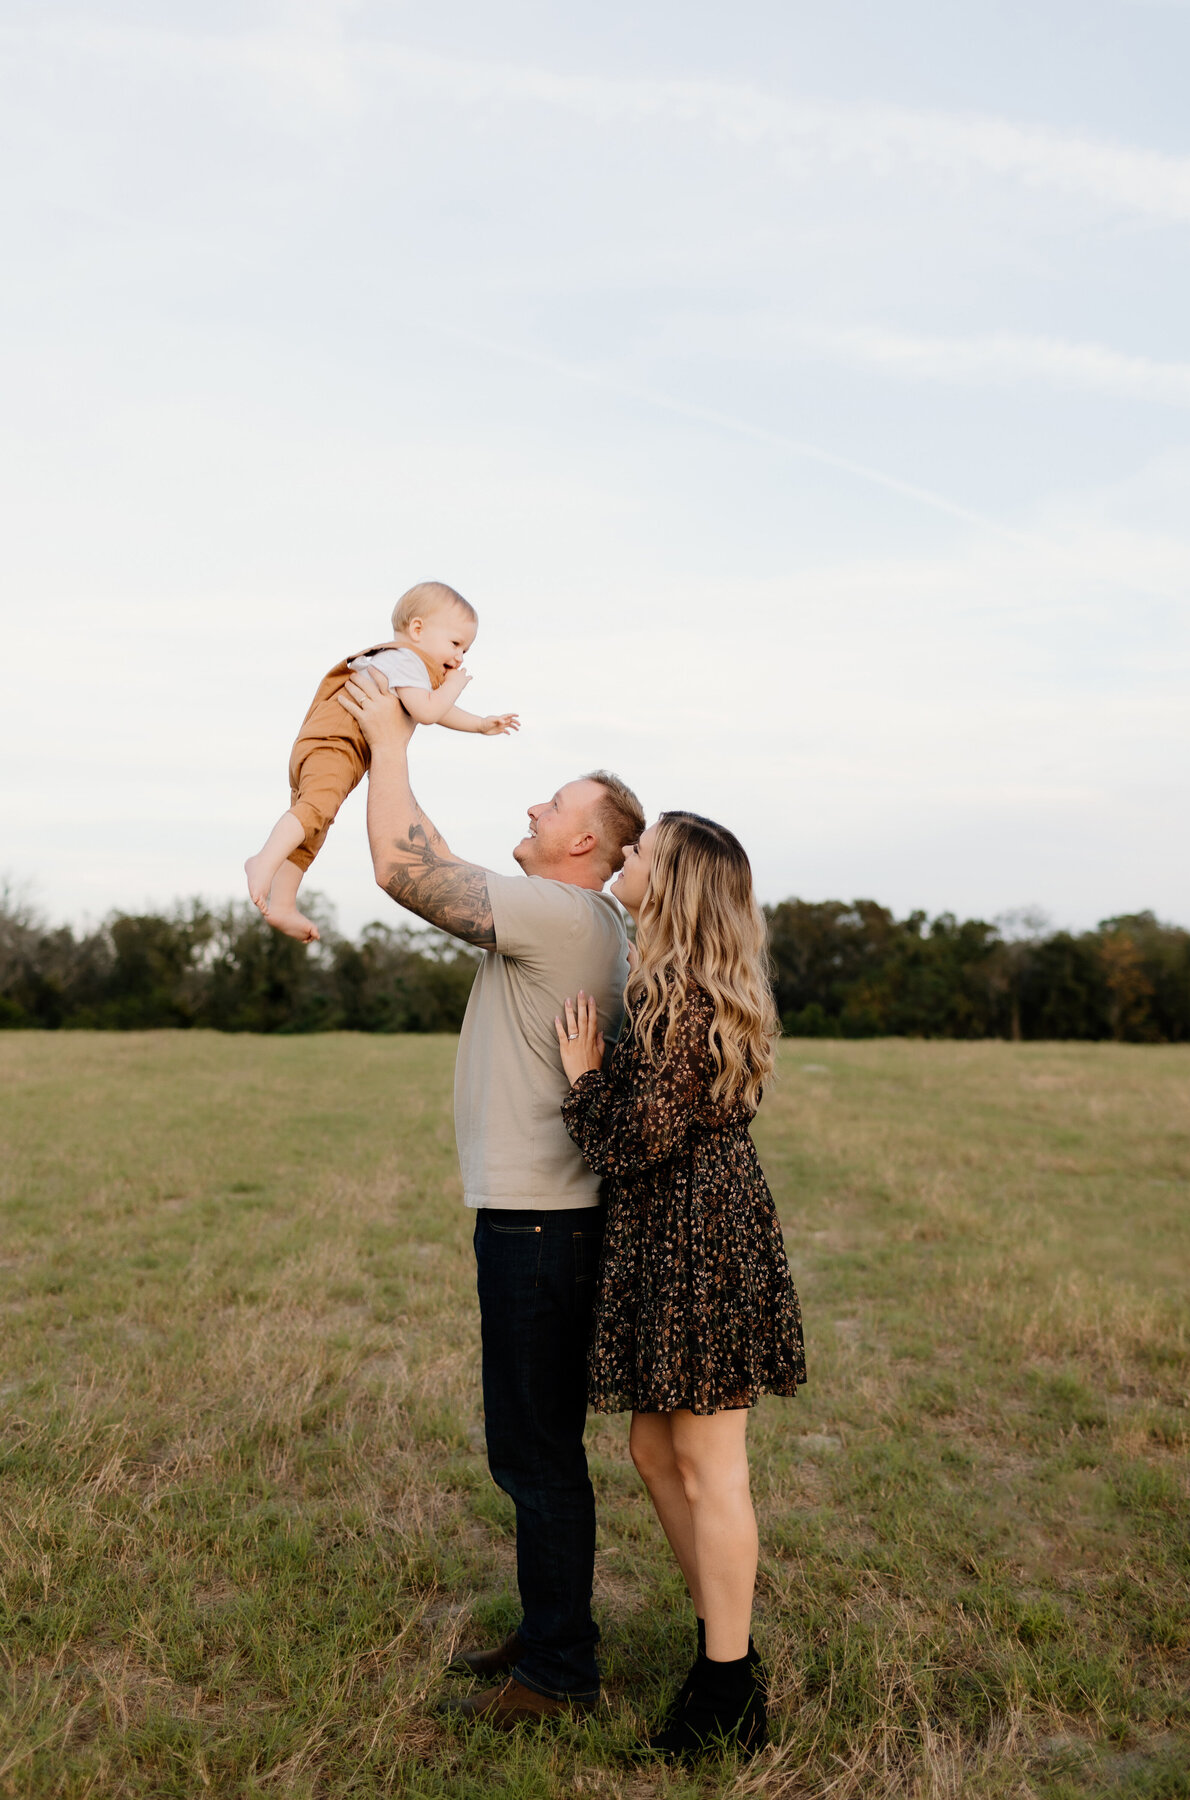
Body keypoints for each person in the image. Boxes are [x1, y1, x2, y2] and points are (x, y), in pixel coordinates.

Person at [334, 662, 644, 1726]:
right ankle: (548, 1634)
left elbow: (404, 870)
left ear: (586, 846)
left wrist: (390, 740)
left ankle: (559, 1673)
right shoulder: (578, 916)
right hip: (541, 1218)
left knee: (535, 1451)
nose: (532, 804)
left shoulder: (564, 914)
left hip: (538, 1224)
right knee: (534, 1443)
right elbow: (434, 861)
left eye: (553, 802)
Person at [554, 812, 806, 1761]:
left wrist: (583, 1078)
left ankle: (730, 1687)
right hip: (670, 1237)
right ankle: (723, 1640)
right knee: (656, 1452)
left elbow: (634, 1142)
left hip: (701, 1241)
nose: (623, 858)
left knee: (708, 1464)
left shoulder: (688, 996)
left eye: (640, 854)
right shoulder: (661, 982)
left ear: (674, 885)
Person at [244, 581, 518, 943]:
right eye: (455, 644)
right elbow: (428, 710)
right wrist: (455, 685)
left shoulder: (408, 669)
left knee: (315, 824)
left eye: (466, 649)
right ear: (417, 629)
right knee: (315, 811)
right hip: (333, 744)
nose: (460, 657)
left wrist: (481, 725)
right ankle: (263, 860)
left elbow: (436, 709)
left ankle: (282, 903)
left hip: (335, 751)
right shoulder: (405, 658)